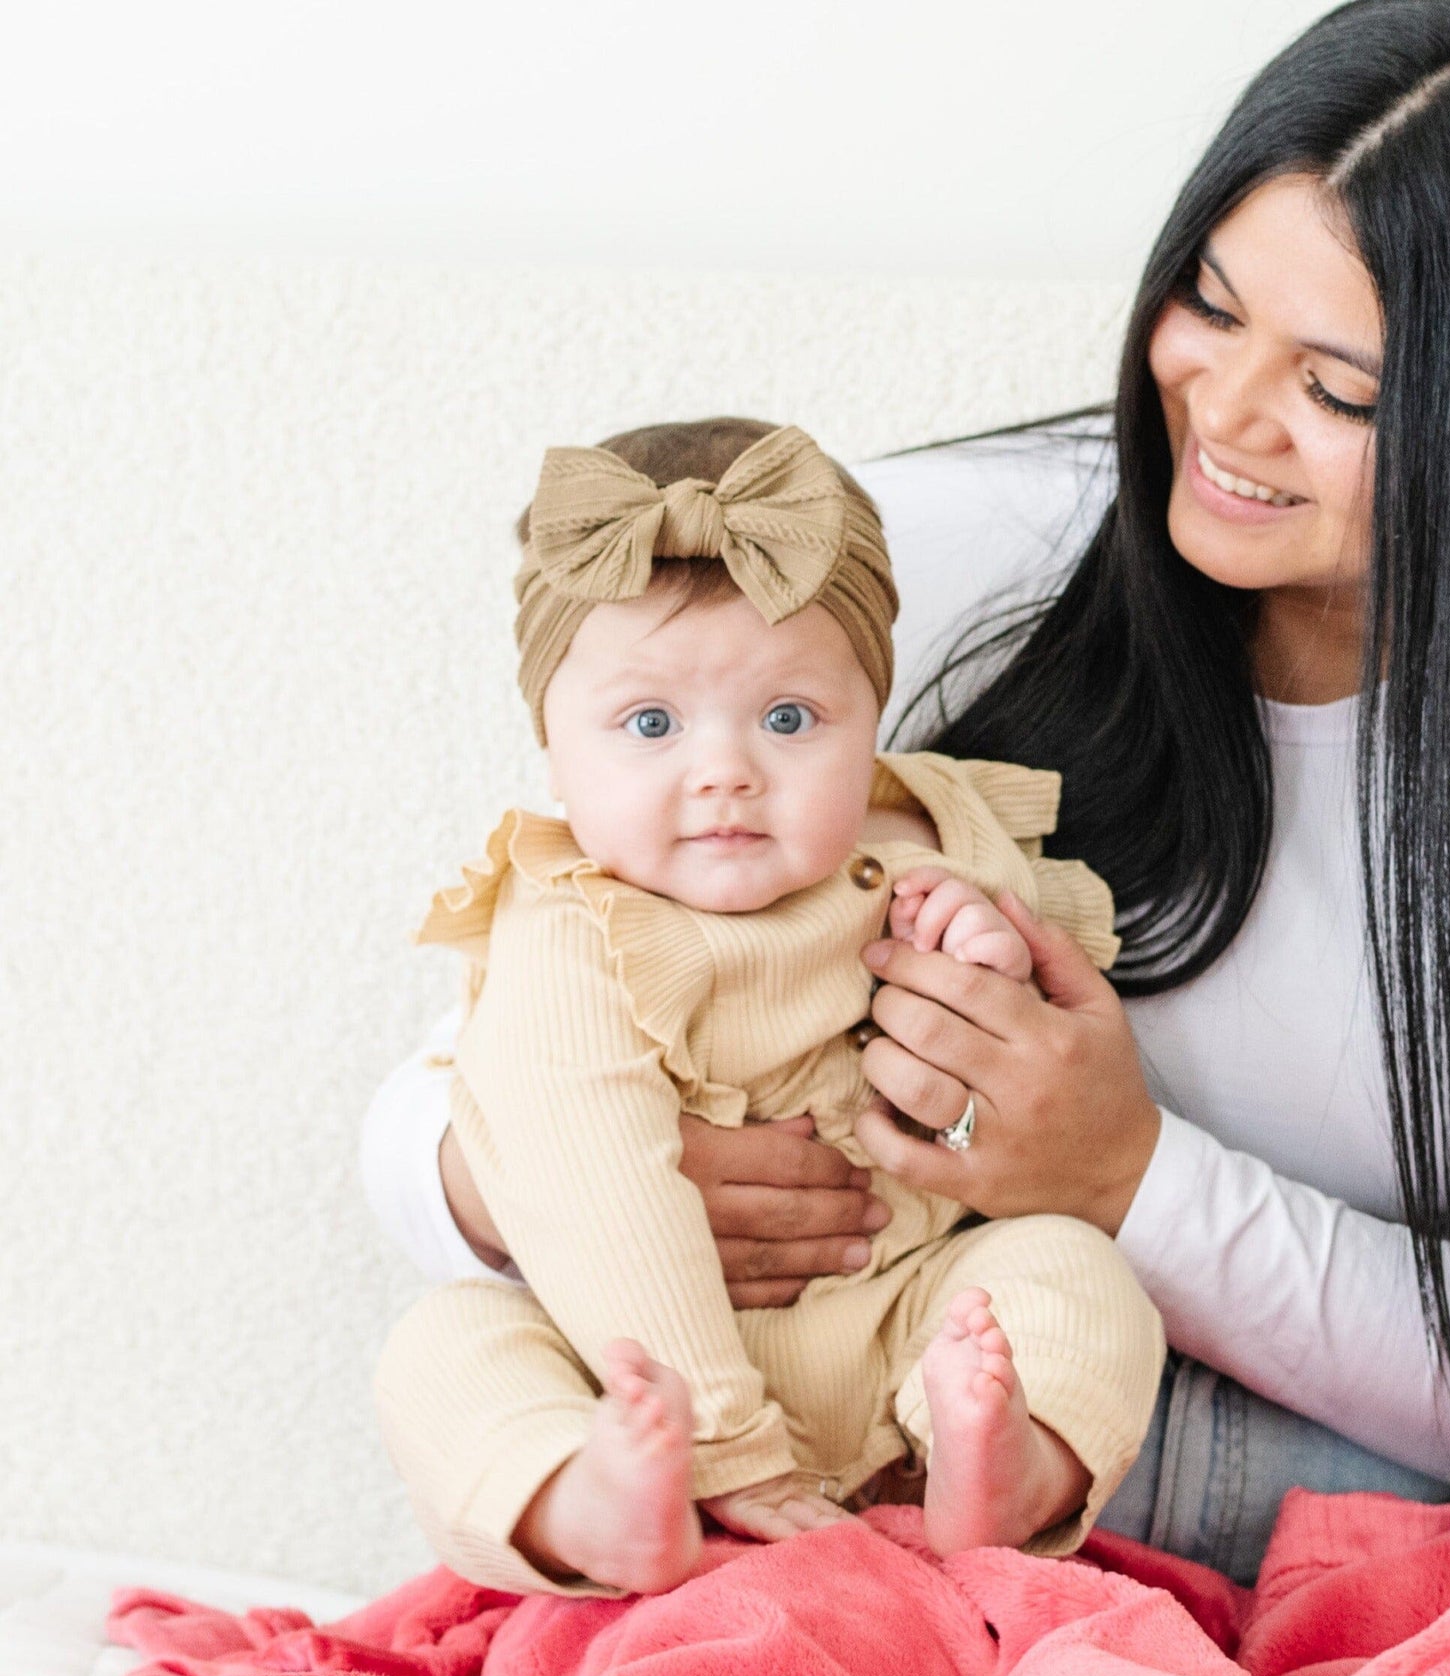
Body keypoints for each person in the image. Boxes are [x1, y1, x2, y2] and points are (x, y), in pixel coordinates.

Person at [365, 0, 1450, 1583]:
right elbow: (435, 1088)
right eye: (1205, 307)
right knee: (459, 1347)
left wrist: (1129, 1179)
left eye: (1337, 387)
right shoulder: (934, 569)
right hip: (737, 1394)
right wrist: (529, 1178)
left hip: (1169, 1452)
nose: (1217, 414)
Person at [376, 418, 1163, 1597]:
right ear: (553, 749)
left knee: (1069, 1272)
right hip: (636, 1374)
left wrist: (986, 965)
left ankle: (991, 1466)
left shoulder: (929, 850)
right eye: (650, 725)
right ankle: (593, 1503)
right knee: (446, 1349)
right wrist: (720, 1443)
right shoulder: (565, 928)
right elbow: (590, 1187)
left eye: (789, 719)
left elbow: (997, 1118)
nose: (725, 770)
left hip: (898, 1315)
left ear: (869, 720)